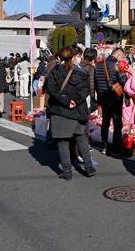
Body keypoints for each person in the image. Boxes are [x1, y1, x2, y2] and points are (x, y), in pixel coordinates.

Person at [46, 46, 96, 180]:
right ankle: (89, 166)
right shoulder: (82, 73)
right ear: (73, 57)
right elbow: (86, 90)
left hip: (60, 110)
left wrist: (67, 101)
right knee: (80, 137)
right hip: (78, 109)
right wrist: (74, 100)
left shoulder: (55, 72)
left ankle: (67, 170)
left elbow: (52, 89)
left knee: (63, 141)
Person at [94, 47, 128, 156]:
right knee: (117, 123)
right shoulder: (117, 65)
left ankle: (104, 146)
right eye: (122, 57)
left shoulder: (99, 65)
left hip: (103, 97)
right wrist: (127, 96)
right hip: (115, 98)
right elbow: (123, 82)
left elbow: (96, 82)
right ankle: (115, 148)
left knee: (105, 121)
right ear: (118, 56)